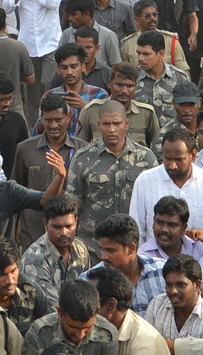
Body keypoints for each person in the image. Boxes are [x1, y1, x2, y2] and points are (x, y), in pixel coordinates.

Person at [64, 100, 156, 258]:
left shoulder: (146, 158)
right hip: (92, 248)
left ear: (126, 124)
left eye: (117, 123)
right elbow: (72, 206)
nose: (111, 129)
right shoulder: (82, 159)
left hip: (132, 248)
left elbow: (154, 204)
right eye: (106, 124)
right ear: (99, 125)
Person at [86, 265, 171, 355]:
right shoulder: (99, 329)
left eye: (90, 303)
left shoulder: (143, 345)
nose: (85, 309)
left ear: (111, 305)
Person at [21, 278, 119, 355]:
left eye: (87, 328)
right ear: (59, 312)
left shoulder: (108, 334)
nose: (80, 335)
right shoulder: (39, 333)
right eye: (73, 327)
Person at [142, 254, 203, 339]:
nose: (173, 291)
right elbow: (146, 344)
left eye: (181, 285)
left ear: (197, 285)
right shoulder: (156, 305)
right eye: (169, 285)